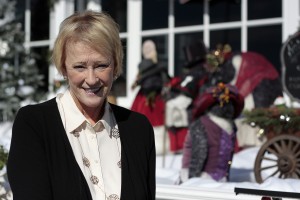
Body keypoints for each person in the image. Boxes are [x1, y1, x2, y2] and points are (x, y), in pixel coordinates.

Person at [7, 10, 156, 200]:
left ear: (116, 64)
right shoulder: (35, 125)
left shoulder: (138, 128)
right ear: (63, 67)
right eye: (80, 67)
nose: (92, 79)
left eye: (101, 65)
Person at [180, 83, 244, 183]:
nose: (226, 108)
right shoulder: (202, 125)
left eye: (229, 104)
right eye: (222, 103)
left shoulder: (230, 126)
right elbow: (198, 154)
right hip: (201, 179)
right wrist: (192, 182)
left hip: (220, 180)